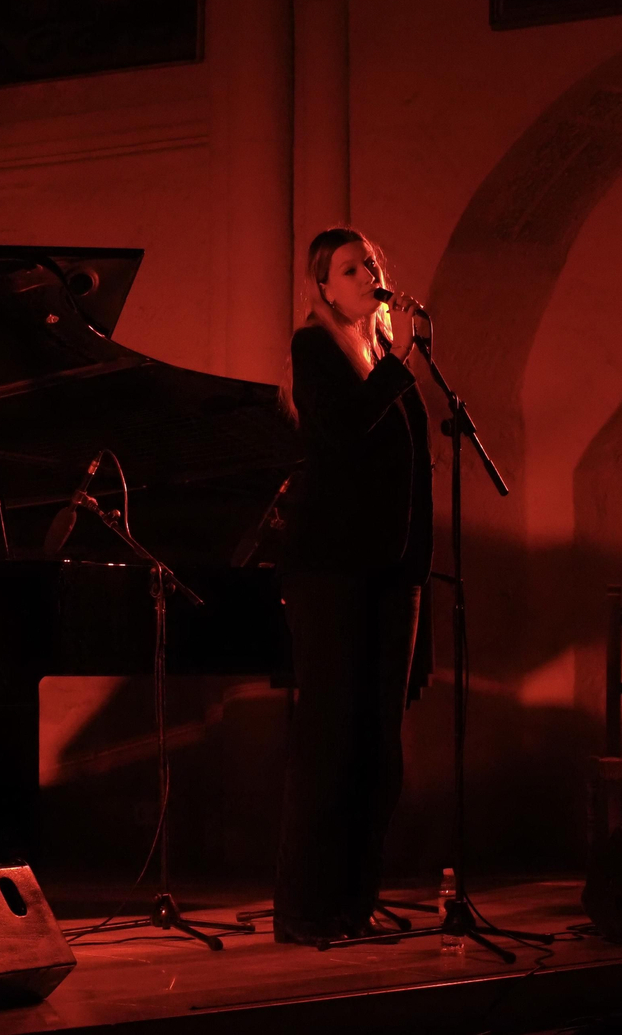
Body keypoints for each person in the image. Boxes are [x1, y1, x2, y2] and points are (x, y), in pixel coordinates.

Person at [271, 227, 432, 945]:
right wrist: (395, 372)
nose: (368, 273)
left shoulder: (384, 357)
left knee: (379, 746)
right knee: (330, 740)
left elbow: (412, 472)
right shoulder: (317, 352)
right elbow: (335, 438)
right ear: (325, 288)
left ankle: (353, 903)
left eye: (372, 262)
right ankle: (305, 909)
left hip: (393, 575)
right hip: (332, 571)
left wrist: (419, 564)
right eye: (350, 268)